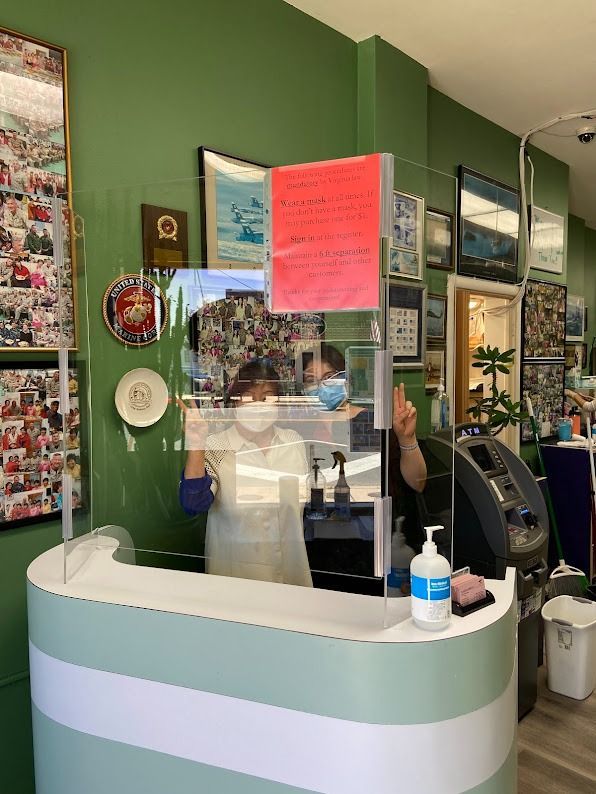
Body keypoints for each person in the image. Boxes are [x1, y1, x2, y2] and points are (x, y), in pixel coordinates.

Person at [178, 359, 313, 586]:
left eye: (267, 397)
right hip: (237, 584)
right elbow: (193, 503)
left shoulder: (293, 442)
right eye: (248, 396)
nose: (258, 405)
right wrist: (196, 444)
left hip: (292, 579)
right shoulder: (216, 446)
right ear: (234, 403)